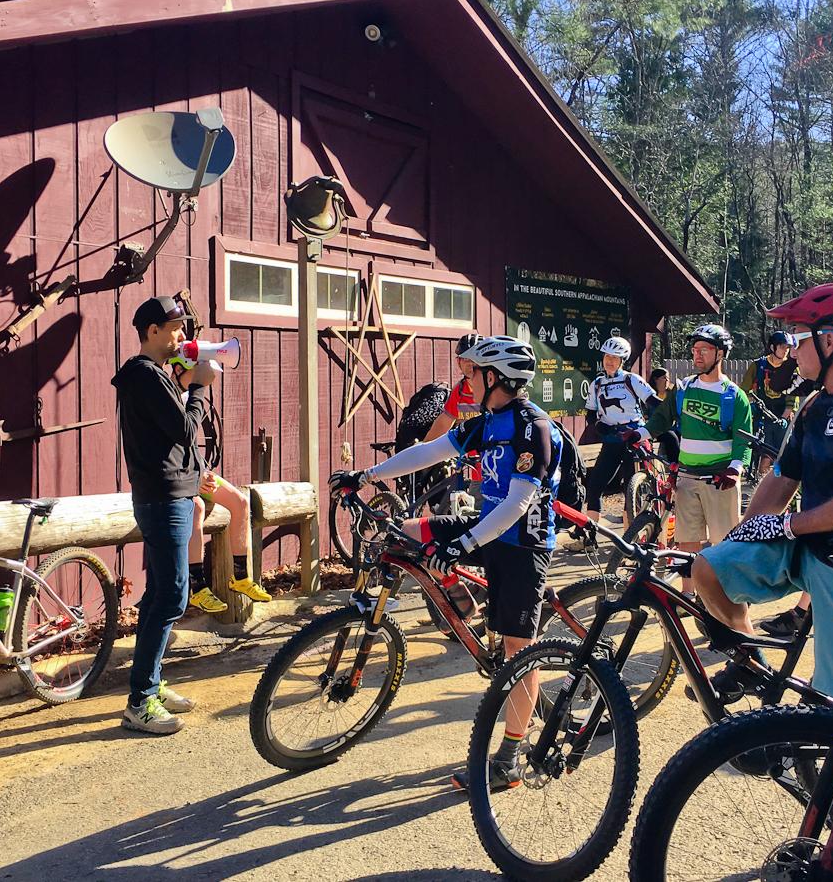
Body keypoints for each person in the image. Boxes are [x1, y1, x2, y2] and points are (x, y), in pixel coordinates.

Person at [682, 283, 833, 878]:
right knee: (707, 567)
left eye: (799, 339)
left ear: (832, 338)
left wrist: (789, 524)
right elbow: (776, 487)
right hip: (808, 543)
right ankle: (751, 659)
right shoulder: (814, 406)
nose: (791, 350)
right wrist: (739, 539)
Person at [329, 335, 562, 792]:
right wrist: (368, 475)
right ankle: (459, 598)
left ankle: (512, 757)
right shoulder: (486, 422)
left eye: (472, 373)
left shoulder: (531, 425)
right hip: (487, 526)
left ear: (494, 377)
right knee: (412, 532)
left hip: (522, 542)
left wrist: (465, 543)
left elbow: (518, 503)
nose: (466, 381)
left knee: (518, 650)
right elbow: (429, 451)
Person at [111, 296, 212, 735]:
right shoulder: (144, 376)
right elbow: (185, 430)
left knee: (156, 597)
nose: (181, 337)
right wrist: (199, 386)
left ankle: (149, 683)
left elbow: (176, 441)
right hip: (161, 499)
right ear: (151, 330)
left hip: (169, 494)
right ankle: (140, 702)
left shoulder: (153, 377)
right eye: (174, 328)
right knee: (171, 597)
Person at [166, 356, 271, 613]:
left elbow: (190, 447)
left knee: (240, 502)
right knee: (197, 509)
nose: (203, 379)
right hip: (176, 478)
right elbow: (169, 451)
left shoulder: (190, 397)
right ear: (178, 370)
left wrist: (203, 471)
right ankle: (198, 587)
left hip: (195, 472)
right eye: (196, 373)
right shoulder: (167, 398)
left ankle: (241, 577)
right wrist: (195, 476)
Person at [641, 324, 752, 566]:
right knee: (686, 543)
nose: (697, 354)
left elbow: (744, 439)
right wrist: (639, 433)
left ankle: (722, 597)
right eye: (694, 349)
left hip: (720, 482)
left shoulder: (734, 396)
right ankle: (687, 597)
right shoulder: (683, 389)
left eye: (704, 349)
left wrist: (735, 469)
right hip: (687, 479)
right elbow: (661, 418)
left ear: (720, 354)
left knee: (724, 544)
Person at [571, 336, 658, 547]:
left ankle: (632, 542)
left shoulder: (632, 380)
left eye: (615, 358)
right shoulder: (597, 383)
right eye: (607, 356)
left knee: (631, 490)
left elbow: (654, 403)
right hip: (611, 441)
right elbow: (590, 414)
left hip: (633, 440)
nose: (609, 361)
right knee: (594, 487)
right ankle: (589, 538)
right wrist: (599, 426)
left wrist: (652, 428)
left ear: (623, 360)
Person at [741, 330, 802, 476]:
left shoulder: (792, 367)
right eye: (782, 347)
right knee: (762, 450)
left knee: (781, 451)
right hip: (762, 411)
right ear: (773, 347)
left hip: (782, 413)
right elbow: (743, 390)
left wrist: (787, 412)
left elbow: (794, 394)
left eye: (788, 348)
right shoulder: (758, 366)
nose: (785, 351)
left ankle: (779, 481)